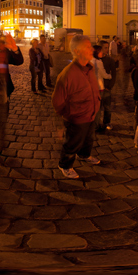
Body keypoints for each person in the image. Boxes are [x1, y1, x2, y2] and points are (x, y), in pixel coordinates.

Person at [51, 35, 102, 179]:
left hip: (91, 113)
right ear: (77, 51)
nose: (92, 49)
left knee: (88, 138)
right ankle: (65, 165)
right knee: (72, 143)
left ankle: (84, 155)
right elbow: (57, 101)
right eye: (88, 46)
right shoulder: (68, 74)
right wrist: (63, 122)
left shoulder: (89, 67)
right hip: (77, 118)